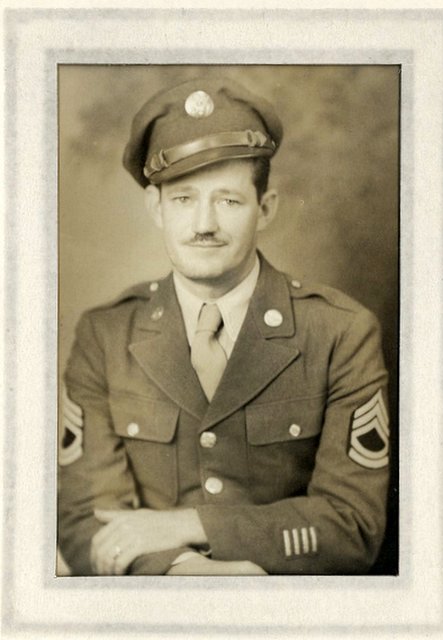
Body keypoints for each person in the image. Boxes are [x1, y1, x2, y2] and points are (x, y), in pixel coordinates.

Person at [58, 77, 390, 576]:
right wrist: (187, 574)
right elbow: (87, 518)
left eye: (229, 200)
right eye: (183, 199)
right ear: (156, 208)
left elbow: (353, 524)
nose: (204, 224)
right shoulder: (105, 336)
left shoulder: (340, 333)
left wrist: (193, 524)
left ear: (265, 208)